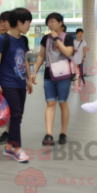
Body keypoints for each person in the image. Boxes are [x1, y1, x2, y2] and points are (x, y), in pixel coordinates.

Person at [0, 8, 33, 163]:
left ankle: (9, 147)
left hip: (20, 83)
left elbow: (24, 61)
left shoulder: (24, 40)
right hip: (7, 83)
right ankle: (17, 149)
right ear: (19, 22)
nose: (29, 25)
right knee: (16, 116)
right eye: (28, 22)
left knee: (17, 116)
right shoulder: (3, 39)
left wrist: (29, 80)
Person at [32, 12, 74, 146]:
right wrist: (34, 72)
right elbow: (41, 56)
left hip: (64, 76)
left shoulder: (67, 37)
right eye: (48, 22)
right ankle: (49, 134)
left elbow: (68, 53)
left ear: (60, 23)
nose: (50, 24)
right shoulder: (45, 38)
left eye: (53, 21)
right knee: (50, 104)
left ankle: (63, 133)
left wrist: (57, 39)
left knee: (62, 103)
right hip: (49, 76)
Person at [0, 15, 11, 145]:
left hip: (6, 75)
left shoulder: (11, 38)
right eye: (1, 23)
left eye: (4, 22)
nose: (3, 25)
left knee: (7, 102)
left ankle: (7, 131)